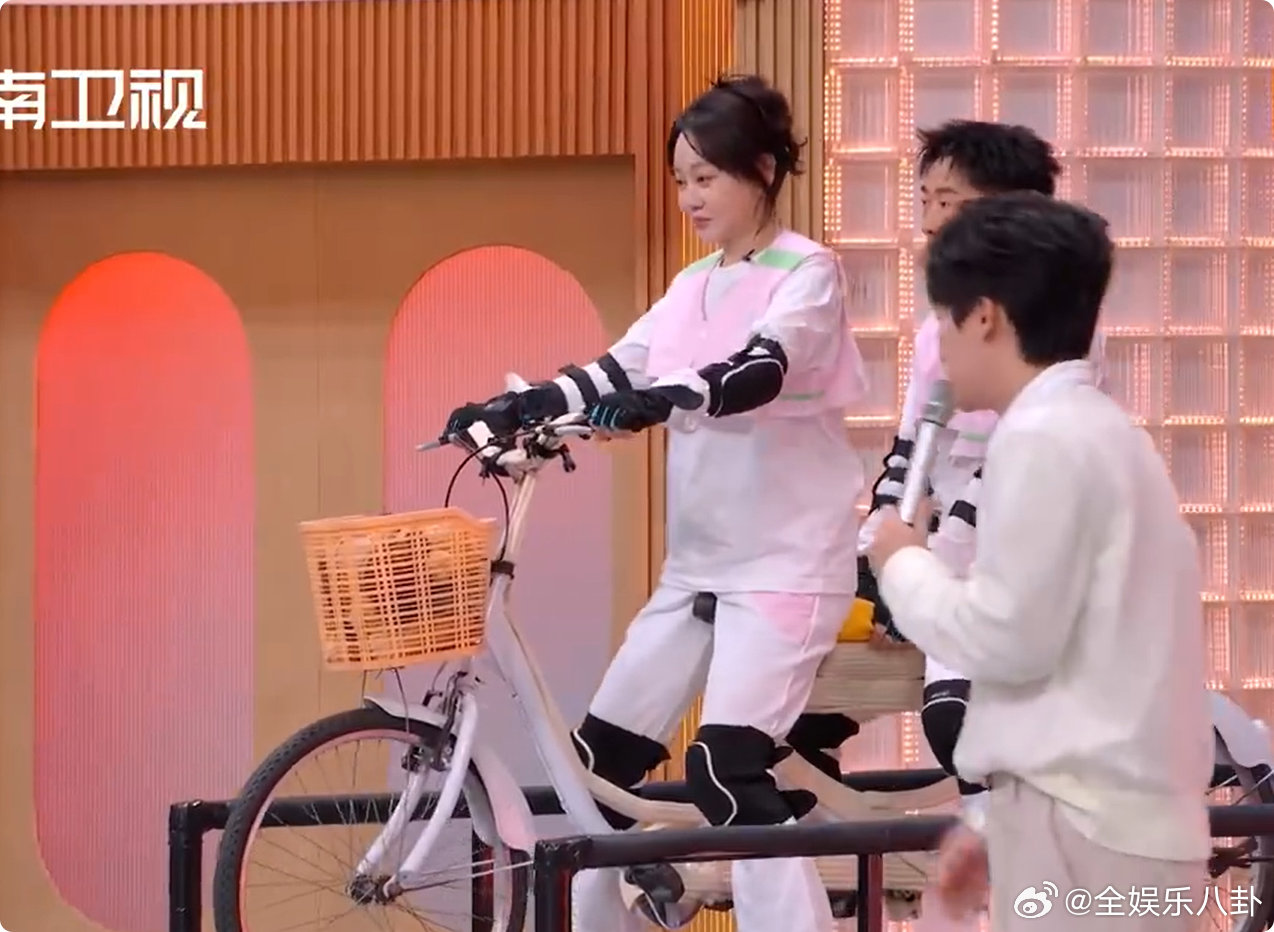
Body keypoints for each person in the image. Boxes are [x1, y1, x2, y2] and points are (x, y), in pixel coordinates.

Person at [444, 73, 869, 932]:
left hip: (785, 568)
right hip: (698, 567)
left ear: (761, 172)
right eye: (680, 180)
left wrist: (663, 400)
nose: (688, 198)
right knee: (596, 771)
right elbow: (618, 368)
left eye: (706, 177)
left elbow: (758, 371)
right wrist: (522, 405)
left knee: (725, 771)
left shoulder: (808, 273)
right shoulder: (690, 283)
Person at [865, 191, 1213, 931]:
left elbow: (1005, 638)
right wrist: (995, 828)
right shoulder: (1105, 433)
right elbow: (1082, 658)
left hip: (1089, 834)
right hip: (1112, 825)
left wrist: (902, 563)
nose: (938, 342)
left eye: (942, 316)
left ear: (984, 317)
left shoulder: (1042, 438)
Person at [787, 121, 1102, 824]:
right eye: (925, 200)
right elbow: (913, 451)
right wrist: (879, 549)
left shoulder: (1060, 330)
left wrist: (923, 561)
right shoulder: (940, 328)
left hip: (1018, 553)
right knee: (799, 705)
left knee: (957, 719)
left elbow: (1018, 464)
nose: (929, 223)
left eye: (948, 202)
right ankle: (818, 851)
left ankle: (1021, 853)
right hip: (950, 546)